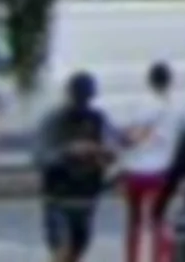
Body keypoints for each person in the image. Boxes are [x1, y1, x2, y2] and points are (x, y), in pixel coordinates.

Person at [39, 73, 118, 262]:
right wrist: (69, 151)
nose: (83, 105)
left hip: (86, 198)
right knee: (62, 250)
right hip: (60, 198)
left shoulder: (98, 119)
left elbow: (113, 146)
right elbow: (41, 157)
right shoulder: (54, 121)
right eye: (79, 99)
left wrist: (104, 154)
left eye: (87, 99)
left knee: (77, 251)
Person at [114, 62, 182, 262]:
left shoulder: (143, 105)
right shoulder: (175, 108)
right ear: (170, 81)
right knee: (158, 221)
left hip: (135, 171)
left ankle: (133, 257)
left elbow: (130, 137)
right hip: (161, 171)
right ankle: (159, 257)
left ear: (149, 81)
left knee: (134, 221)